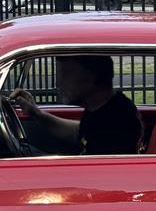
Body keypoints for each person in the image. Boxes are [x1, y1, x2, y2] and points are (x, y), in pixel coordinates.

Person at [11, 55, 144, 155]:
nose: (59, 83)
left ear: (90, 76)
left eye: (65, 74)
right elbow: (80, 133)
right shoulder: (105, 109)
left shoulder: (116, 123)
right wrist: (36, 113)